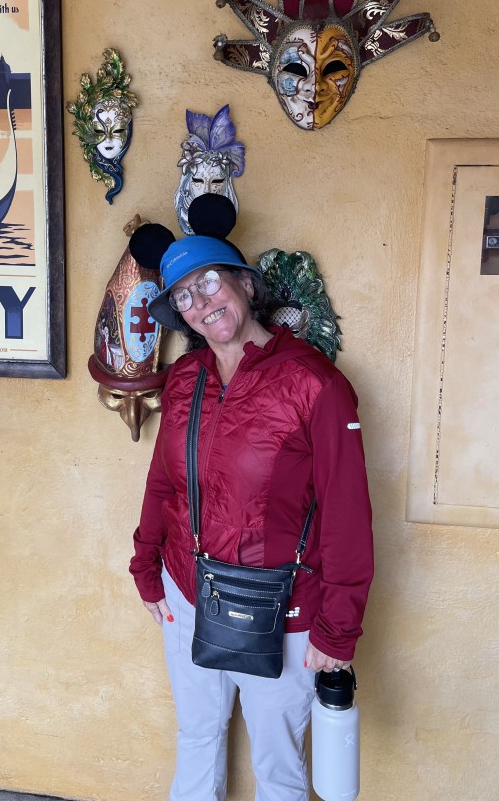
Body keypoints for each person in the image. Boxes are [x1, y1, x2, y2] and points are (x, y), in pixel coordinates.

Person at [129, 233, 373, 801]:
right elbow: (164, 481)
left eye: (210, 282)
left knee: (278, 768)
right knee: (196, 736)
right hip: (187, 592)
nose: (201, 302)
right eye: (184, 296)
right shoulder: (185, 378)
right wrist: (146, 566)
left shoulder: (315, 384)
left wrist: (338, 629)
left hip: (282, 609)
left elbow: (347, 514)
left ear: (246, 283)